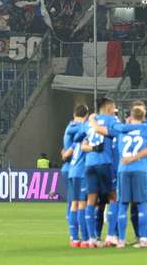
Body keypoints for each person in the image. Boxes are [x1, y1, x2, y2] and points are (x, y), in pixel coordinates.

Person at [90, 104, 147, 248]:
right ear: (144, 117)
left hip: (123, 169)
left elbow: (100, 130)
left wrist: (92, 120)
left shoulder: (120, 130)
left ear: (131, 116)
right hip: (140, 169)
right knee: (142, 204)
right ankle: (143, 239)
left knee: (123, 204)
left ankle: (120, 240)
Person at [81, 97, 118, 248]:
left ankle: (91, 239)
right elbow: (121, 133)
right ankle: (110, 236)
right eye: (114, 109)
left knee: (91, 200)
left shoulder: (88, 124)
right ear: (109, 109)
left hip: (89, 164)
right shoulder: (111, 120)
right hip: (105, 162)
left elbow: (82, 143)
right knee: (113, 197)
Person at [62, 104, 88, 248]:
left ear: (74, 113)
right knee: (80, 202)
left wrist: (66, 152)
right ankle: (83, 237)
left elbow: (67, 150)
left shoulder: (70, 127)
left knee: (73, 203)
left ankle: (73, 237)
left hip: (69, 168)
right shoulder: (82, 128)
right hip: (76, 167)